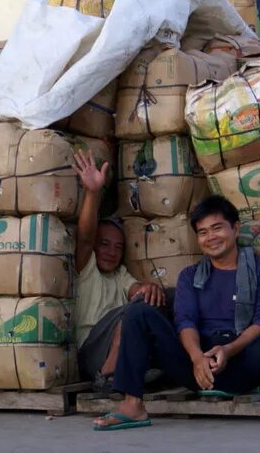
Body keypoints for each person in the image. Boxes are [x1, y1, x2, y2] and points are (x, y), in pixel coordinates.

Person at [92, 194, 260, 434]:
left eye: (217, 228)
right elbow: (185, 320)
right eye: (203, 232)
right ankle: (133, 405)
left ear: (235, 229)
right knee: (138, 313)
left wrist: (228, 349)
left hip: (243, 361)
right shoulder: (189, 276)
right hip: (195, 365)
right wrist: (196, 358)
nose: (210, 237)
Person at [73, 149, 166, 386]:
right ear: (94, 247)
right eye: (104, 244)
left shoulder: (119, 274)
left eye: (118, 247)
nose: (111, 252)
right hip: (90, 351)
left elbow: (136, 290)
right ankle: (107, 376)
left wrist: (149, 288)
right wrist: (92, 192)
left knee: (164, 300)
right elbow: (85, 237)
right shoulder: (87, 268)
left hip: (117, 343)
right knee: (132, 314)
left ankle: (130, 369)